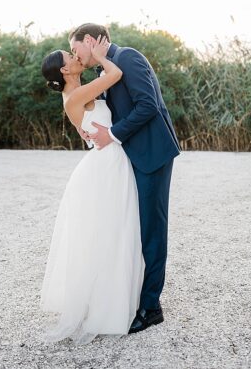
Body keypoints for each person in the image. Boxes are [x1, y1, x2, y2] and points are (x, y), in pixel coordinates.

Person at [68, 23, 179, 333]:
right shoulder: (106, 71)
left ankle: (151, 307)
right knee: (135, 229)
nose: (77, 55)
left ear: (89, 41)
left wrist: (112, 134)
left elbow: (149, 106)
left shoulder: (129, 57)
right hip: (130, 158)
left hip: (152, 154)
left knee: (152, 230)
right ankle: (135, 296)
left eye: (77, 49)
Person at [39, 35, 144, 344]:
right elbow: (115, 75)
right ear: (64, 72)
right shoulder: (77, 94)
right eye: (69, 57)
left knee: (109, 234)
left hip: (105, 162)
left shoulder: (76, 92)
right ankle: (108, 308)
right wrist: (100, 55)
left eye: (74, 52)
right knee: (113, 233)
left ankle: (113, 300)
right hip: (106, 165)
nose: (75, 58)